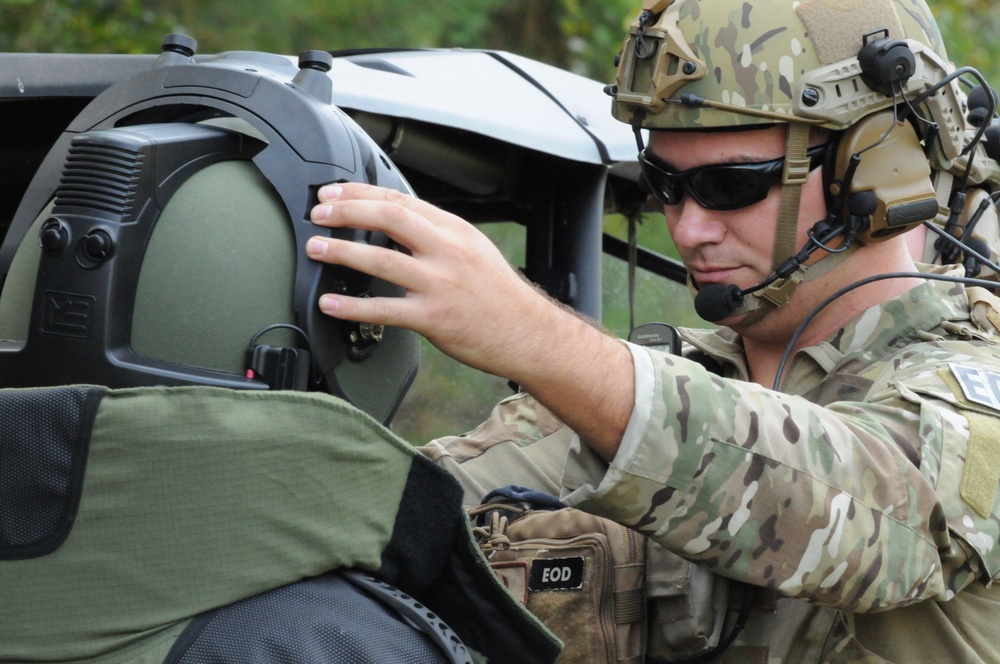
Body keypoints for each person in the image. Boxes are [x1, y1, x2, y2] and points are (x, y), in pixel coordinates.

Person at [305, 0, 1000, 661]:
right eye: (666, 184)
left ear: (874, 166)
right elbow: (394, 518)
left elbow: (876, 516)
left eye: (732, 186)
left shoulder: (974, 392)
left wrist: (536, 338)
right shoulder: (639, 390)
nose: (691, 227)